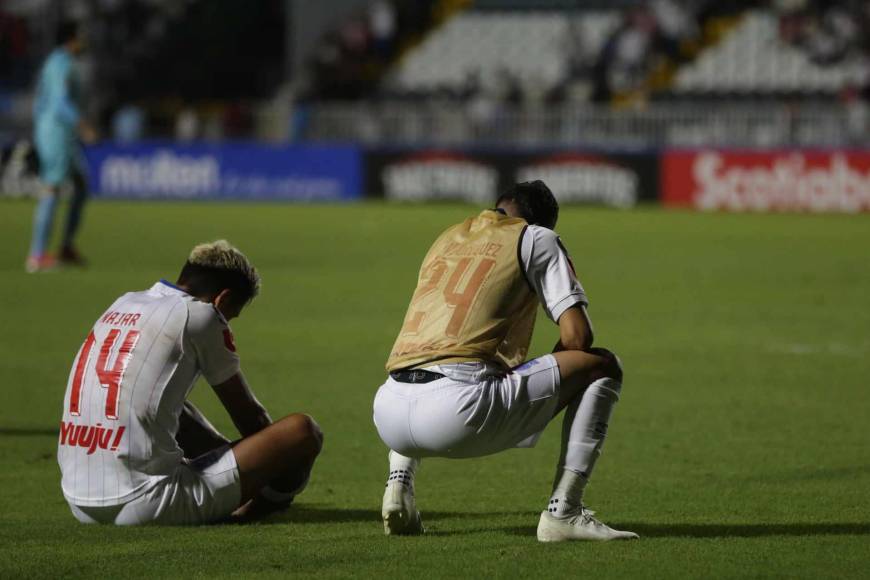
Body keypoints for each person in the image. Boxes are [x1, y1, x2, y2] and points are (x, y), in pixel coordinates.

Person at [373, 181, 637, 542]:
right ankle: (565, 512)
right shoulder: (536, 238)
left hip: (388, 412)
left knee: (430, 354)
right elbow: (578, 338)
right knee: (603, 364)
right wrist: (549, 378)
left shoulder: (448, 236)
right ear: (542, 223)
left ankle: (398, 487)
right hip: (457, 411)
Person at [58, 240, 323, 525]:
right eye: (231, 314)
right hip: (148, 500)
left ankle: (224, 482)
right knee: (302, 432)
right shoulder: (201, 315)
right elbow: (251, 418)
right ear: (223, 299)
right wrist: (268, 469)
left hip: (78, 499)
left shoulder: (124, 302)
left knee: (176, 408)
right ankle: (256, 509)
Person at [27, 21, 96, 273]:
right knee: (52, 187)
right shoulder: (59, 64)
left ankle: (65, 247)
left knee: (80, 184)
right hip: (55, 131)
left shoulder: (64, 62)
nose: (85, 41)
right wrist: (82, 125)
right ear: (71, 39)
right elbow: (58, 102)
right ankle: (36, 256)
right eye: (81, 37)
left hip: (62, 134)